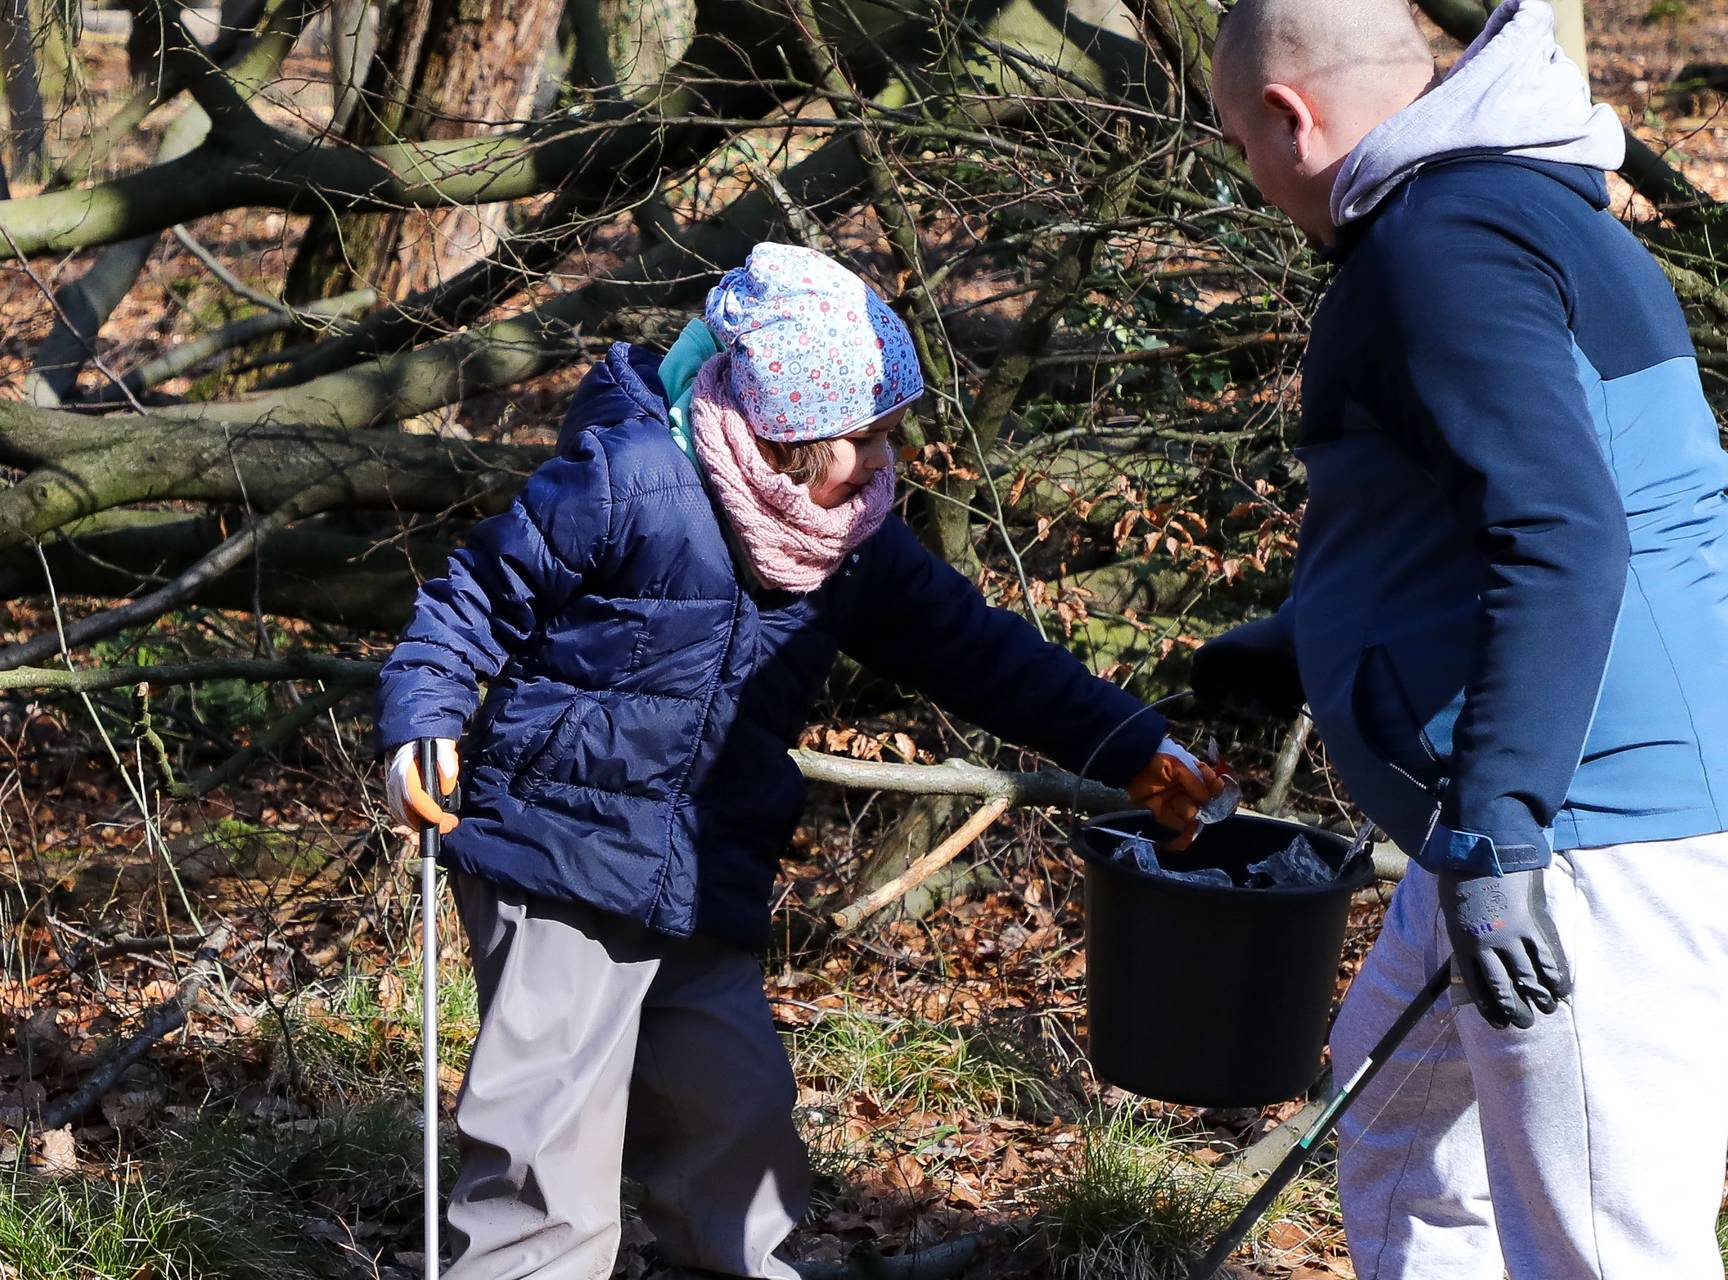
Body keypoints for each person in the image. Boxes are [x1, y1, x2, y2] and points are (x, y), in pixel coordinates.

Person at [376, 242, 1225, 1280]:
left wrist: (1132, 746)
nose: (884, 459)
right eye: (864, 437)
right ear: (788, 432)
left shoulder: (850, 543)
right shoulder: (633, 480)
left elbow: (981, 652)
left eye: (892, 431)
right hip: (559, 848)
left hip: (703, 869)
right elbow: (470, 598)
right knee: (548, 1148)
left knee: (735, 1120)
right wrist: (423, 717)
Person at [1193, 1, 1728, 1275]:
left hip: (1587, 827)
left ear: (1289, 117)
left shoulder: (1443, 244)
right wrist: (1307, 641)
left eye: (1242, 149)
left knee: (1606, 1250)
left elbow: (1568, 529)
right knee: (1402, 1130)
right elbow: (1468, 509)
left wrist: (1500, 832)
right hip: (1520, 806)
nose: (1251, 183)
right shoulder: (1496, 209)